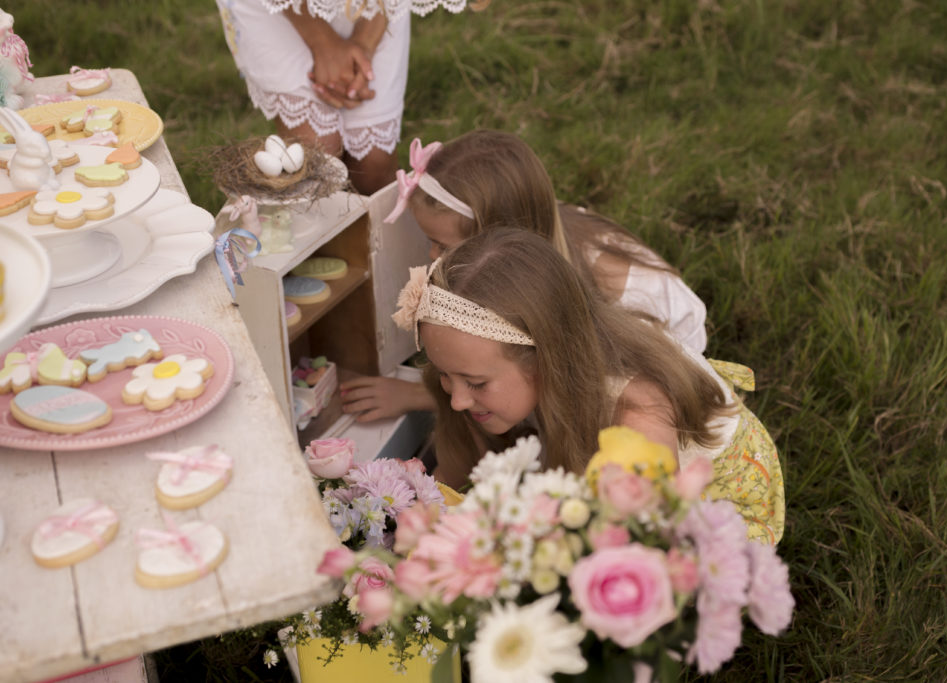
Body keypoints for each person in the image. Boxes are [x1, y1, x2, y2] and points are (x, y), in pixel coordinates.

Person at [393, 228, 785, 544]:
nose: (458, 400)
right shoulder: (500, 373)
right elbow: (458, 471)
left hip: (701, 510)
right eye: (445, 375)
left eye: (476, 383)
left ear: (545, 357)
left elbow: (639, 552)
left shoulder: (639, 416)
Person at [339, 129, 709, 418]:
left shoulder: (613, 303)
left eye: (443, 247)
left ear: (498, 246)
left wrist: (421, 395)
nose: (432, 258)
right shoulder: (539, 232)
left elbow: (563, 394)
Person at [215, 0, 410, 193]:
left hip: (376, 7)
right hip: (276, 8)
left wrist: (364, 45)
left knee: (374, 165)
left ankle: (364, 223)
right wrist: (323, 43)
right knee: (317, 154)